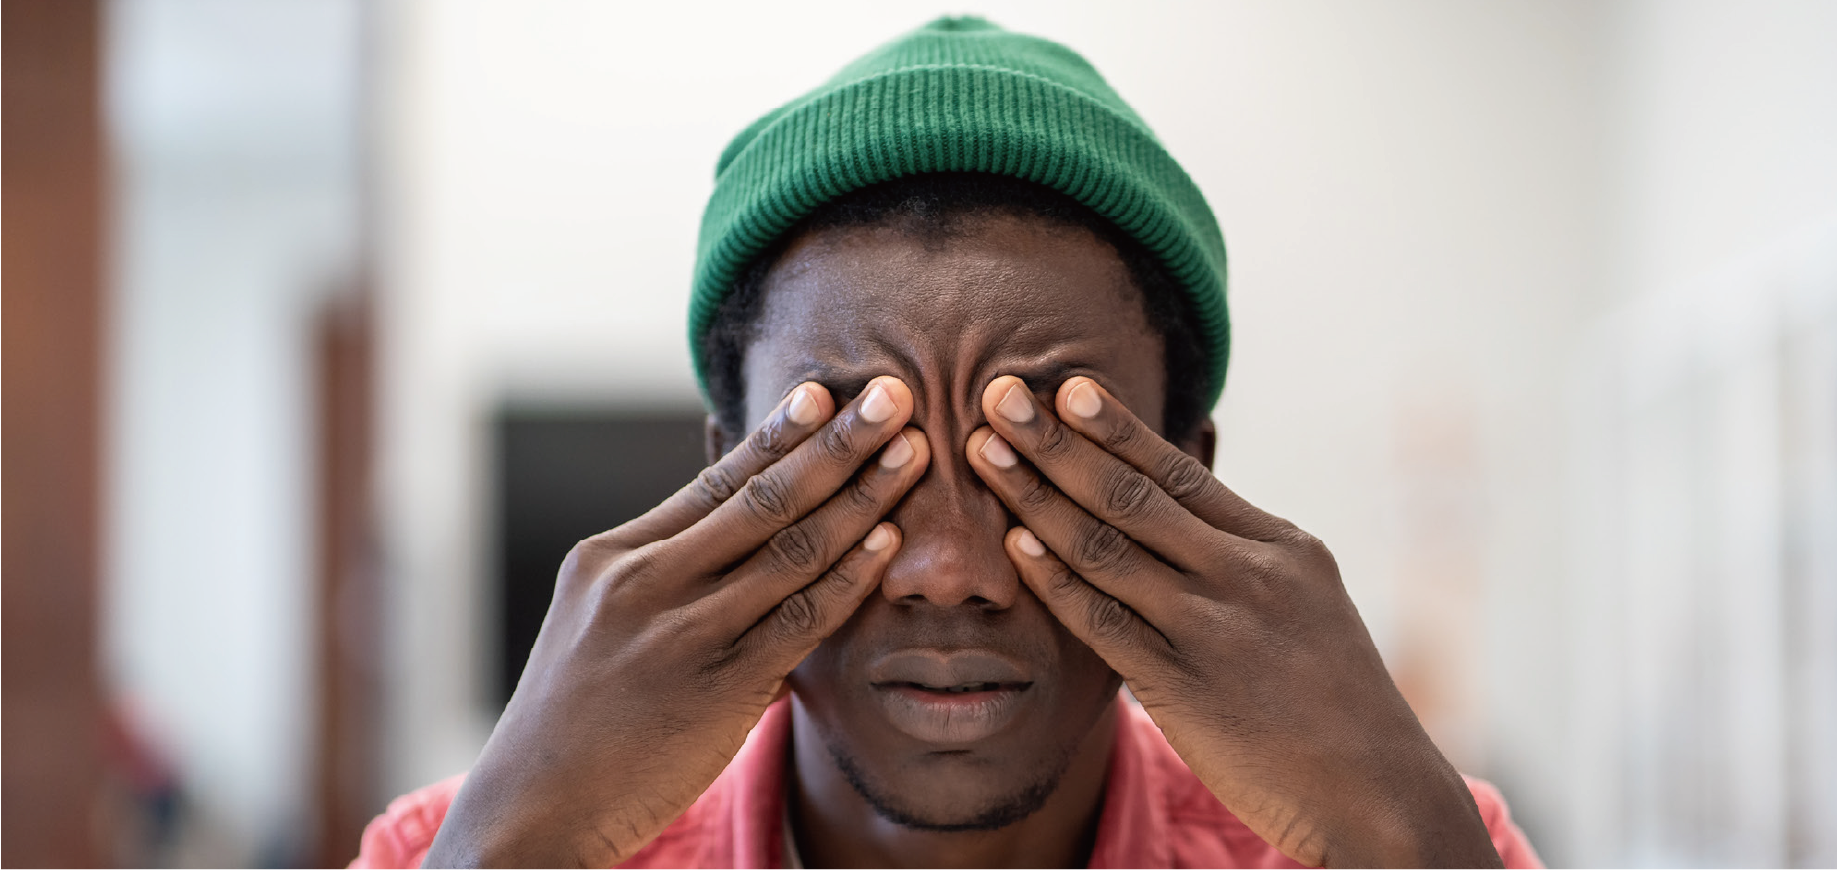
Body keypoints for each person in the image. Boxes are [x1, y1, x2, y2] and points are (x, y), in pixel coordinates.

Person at [355, 17, 1541, 869]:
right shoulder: (458, 849)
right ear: (725, 475)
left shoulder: (1404, 846)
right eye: (859, 461)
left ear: (1192, 477)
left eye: (1037, 461)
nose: (951, 572)